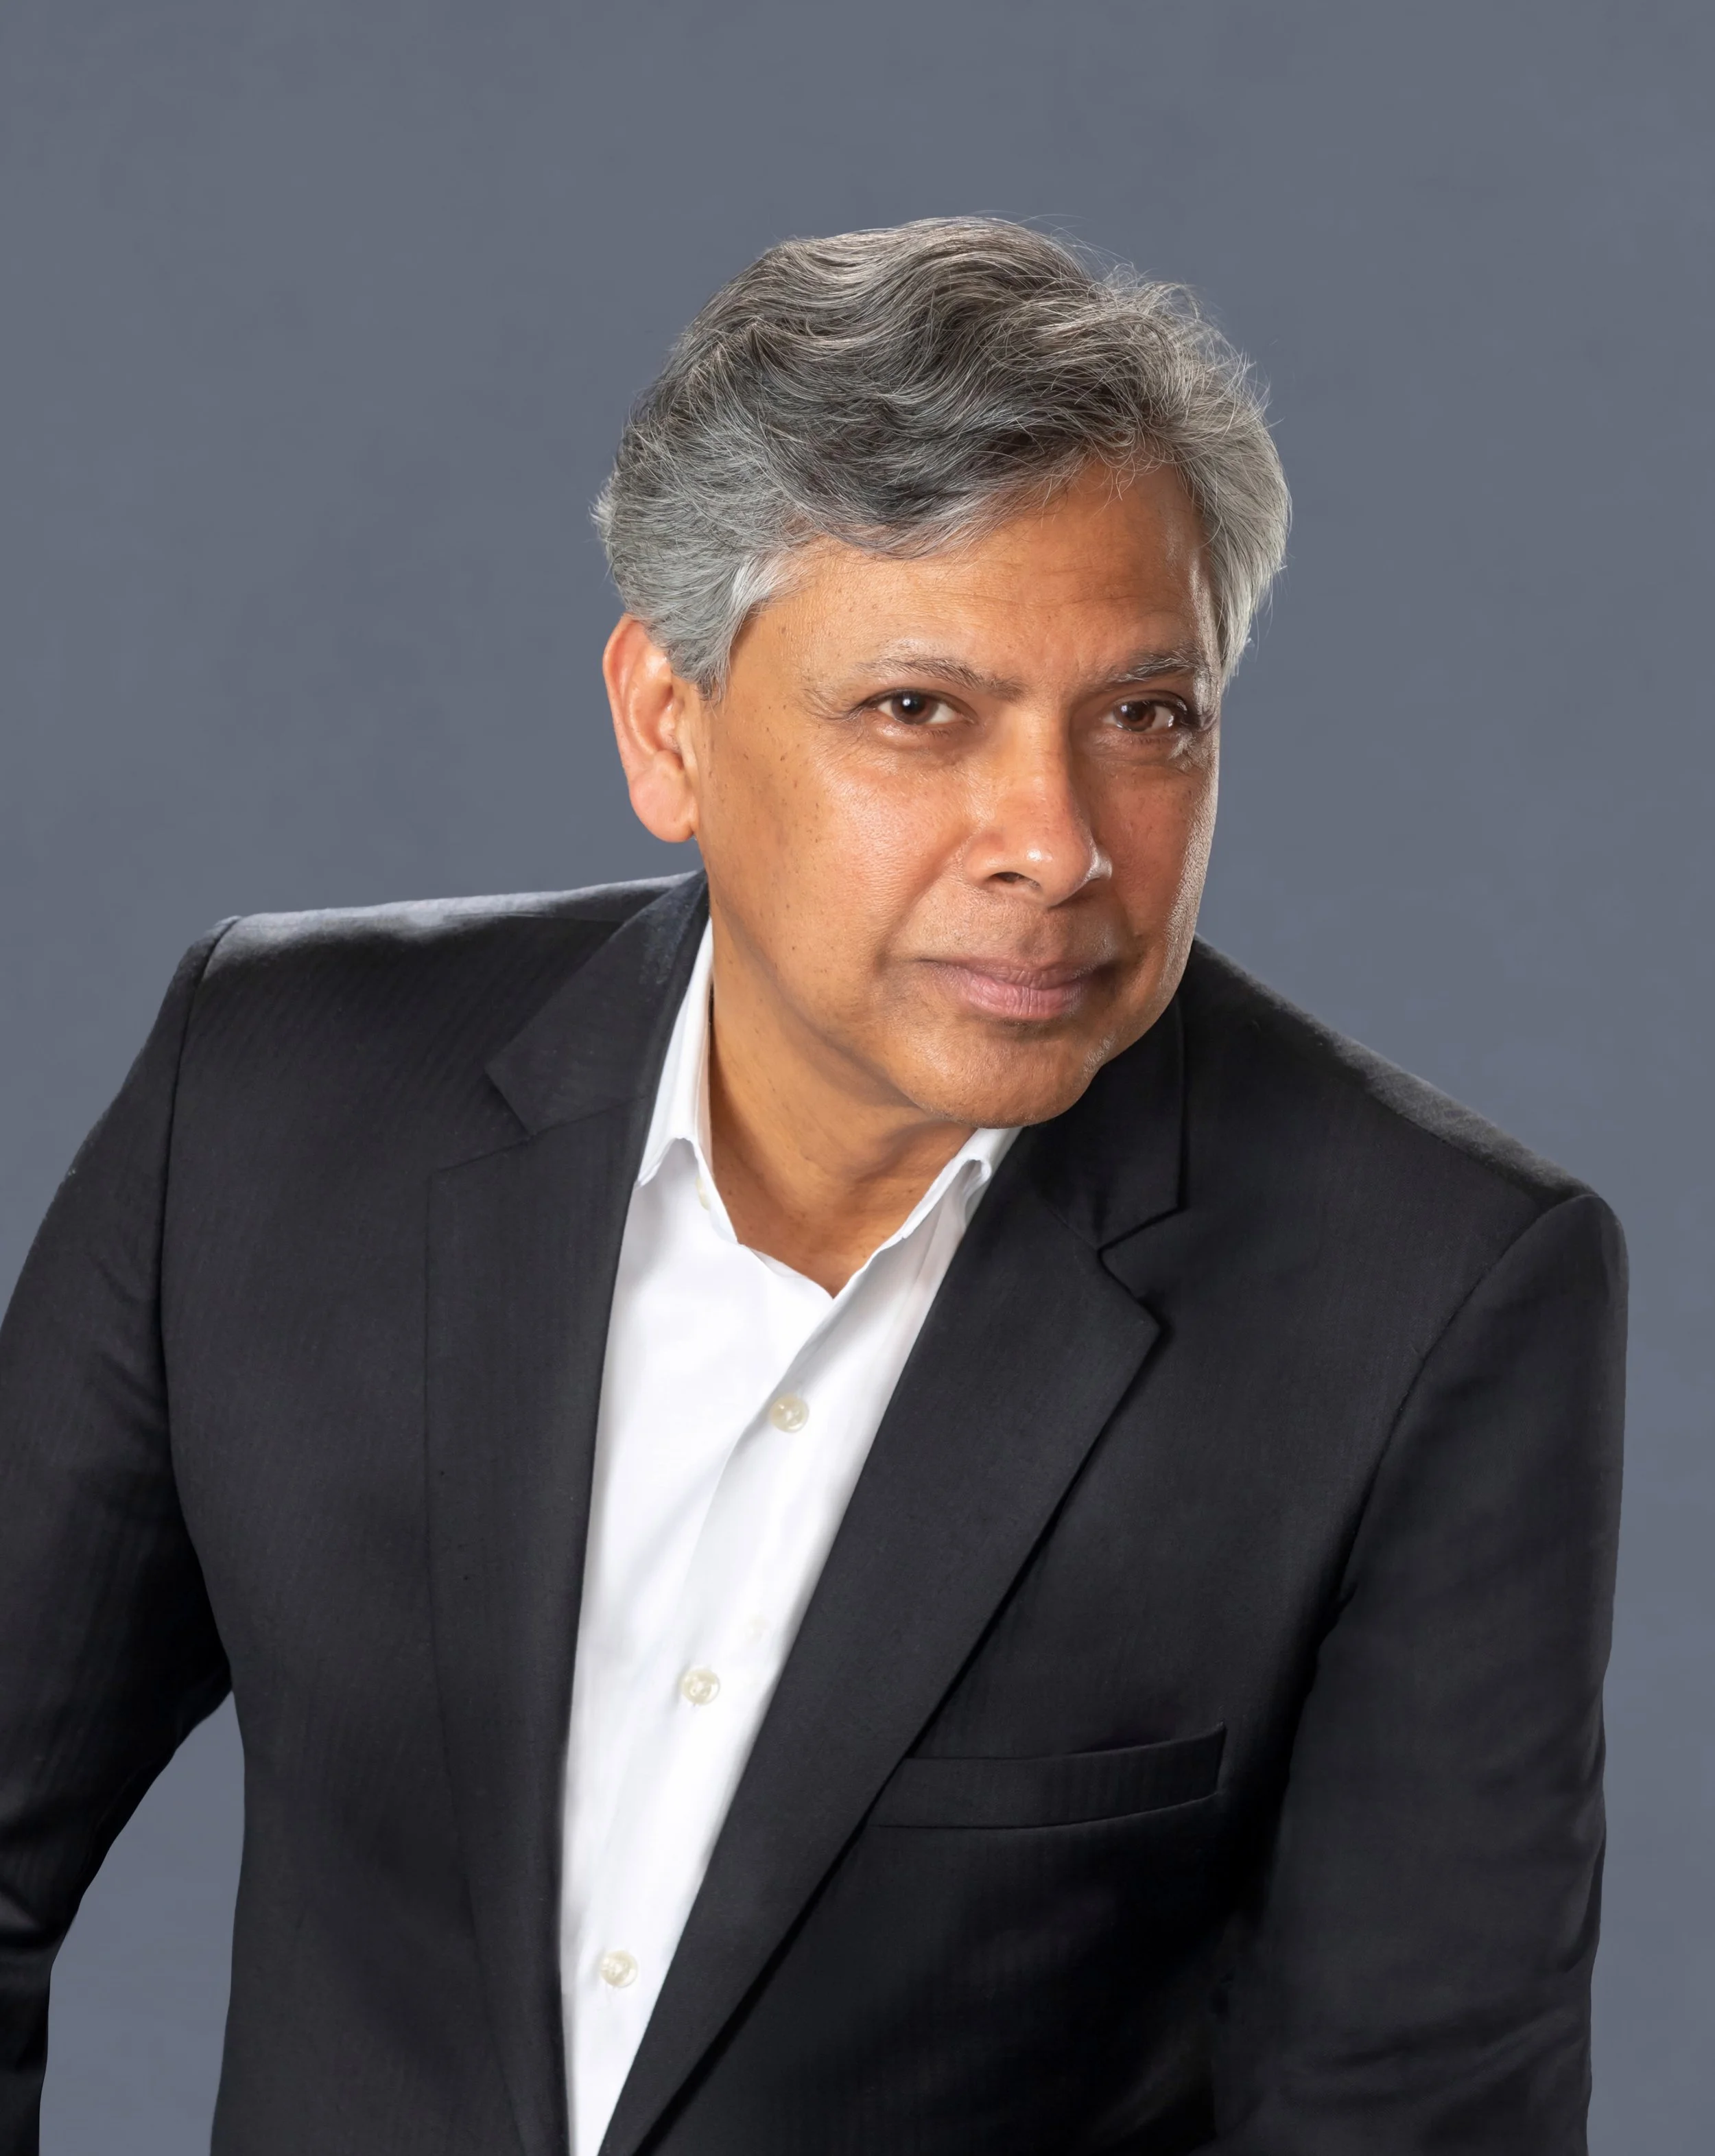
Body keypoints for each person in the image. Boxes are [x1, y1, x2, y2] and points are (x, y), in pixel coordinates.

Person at [0, 218, 1623, 2156]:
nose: (1056, 843)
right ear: (666, 728)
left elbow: (1410, 2119)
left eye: (1145, 715)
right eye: (916, 712)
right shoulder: (270, 1092)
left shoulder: (1428, 1298)